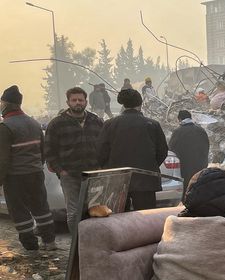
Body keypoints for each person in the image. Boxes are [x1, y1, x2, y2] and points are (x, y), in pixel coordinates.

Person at [0, 85, 57, 251]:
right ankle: (49, 241)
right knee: (41, 207)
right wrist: (36, 166)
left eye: (1, 102)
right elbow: (43, 151)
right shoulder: (34, 123)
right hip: (35, 173)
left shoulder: (5, 127)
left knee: (19, 210)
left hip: (15, 176)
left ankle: (30, 245)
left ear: (7, 104)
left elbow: (3, 159)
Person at [45, 87, 104, 234]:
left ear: (86, 102)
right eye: (74, 100)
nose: (78, 103)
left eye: (80, 100)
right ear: (68, 102)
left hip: (93, 174)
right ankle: (76, 247)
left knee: (96, 210)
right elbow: (49, 150)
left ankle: (95, 241)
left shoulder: (95, 121)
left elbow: (104, 145)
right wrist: (61, 170)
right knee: (73, 212)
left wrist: (101, 166)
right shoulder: (57, 123)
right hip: (70, 175)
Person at [98, 88, 168, 211]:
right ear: (140, 104)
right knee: (146, 220)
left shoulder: (110, 124)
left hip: (117, 180)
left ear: (123, 105)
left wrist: (109, 168)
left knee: (119, 220)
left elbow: (101, 151)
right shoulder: (152, 124)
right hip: (146, 179)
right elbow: (162, 151)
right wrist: (150, 165)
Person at [168, 110, 210, 194]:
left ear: (179, 119)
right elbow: (207, 146)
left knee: (187, 188)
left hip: (185, 166)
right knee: (199, 186)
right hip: (200, 164)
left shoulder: (177, 132)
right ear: (190, 118)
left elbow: (171, 149)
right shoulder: (201, 130)